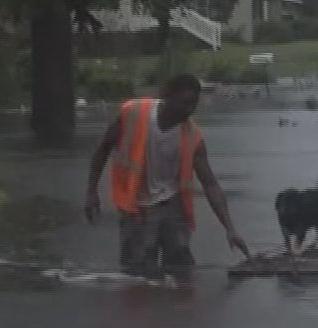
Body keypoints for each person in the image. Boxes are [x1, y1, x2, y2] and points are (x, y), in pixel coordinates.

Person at [85, 73, 251, 276]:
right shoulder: (134, 113)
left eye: (194, 104)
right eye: (185, 103)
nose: (190, 110)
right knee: (137, 272)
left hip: (173, 205)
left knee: (181, 268)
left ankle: (176, 305)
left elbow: (210, 184)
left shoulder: (193, 137)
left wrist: (230, 229)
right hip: (137, 206)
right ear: (167, 97)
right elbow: (103, 149)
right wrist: (91, 191)